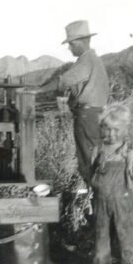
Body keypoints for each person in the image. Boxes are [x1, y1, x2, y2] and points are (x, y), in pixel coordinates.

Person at [38, 20, 110, 184]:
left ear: (83, 42)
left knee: (88, 160)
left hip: (87, 117)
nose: (69, 48)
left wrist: (37, 90)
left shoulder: (85, 61)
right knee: (95, 157)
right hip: (96, 114)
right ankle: (94, 197)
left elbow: (63, 81)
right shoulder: (95, 60)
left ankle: (93, 198)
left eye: (71, 43)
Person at [90, 104, 133, 264]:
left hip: (123, 203)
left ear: (125, 129)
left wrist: (125, 194)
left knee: (127, 238)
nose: (111, 134)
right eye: (107, 129)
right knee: (101, 238)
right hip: (100, 203)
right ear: (101, 129)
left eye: (116, 130)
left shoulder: (128, 154)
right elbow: (91, 175)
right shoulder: (97, 152)